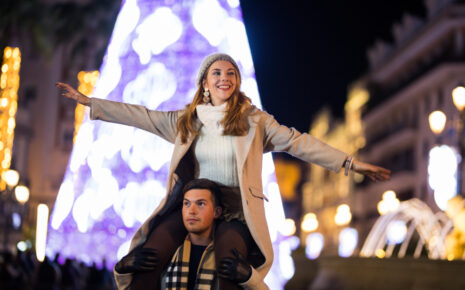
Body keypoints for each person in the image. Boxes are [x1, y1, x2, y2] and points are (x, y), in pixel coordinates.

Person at [56, 53, 391, 290]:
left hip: (235, 211)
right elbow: (140, 115)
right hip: (194, 204)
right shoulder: (186, 120)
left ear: (236, 83)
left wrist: (351, 163)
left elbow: (298, 143)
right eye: (217, 73)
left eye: (231, 73)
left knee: (232, 264)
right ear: (205, 82)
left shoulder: (254, 122)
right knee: (149, 254)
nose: (224, 78)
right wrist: (91, 103)